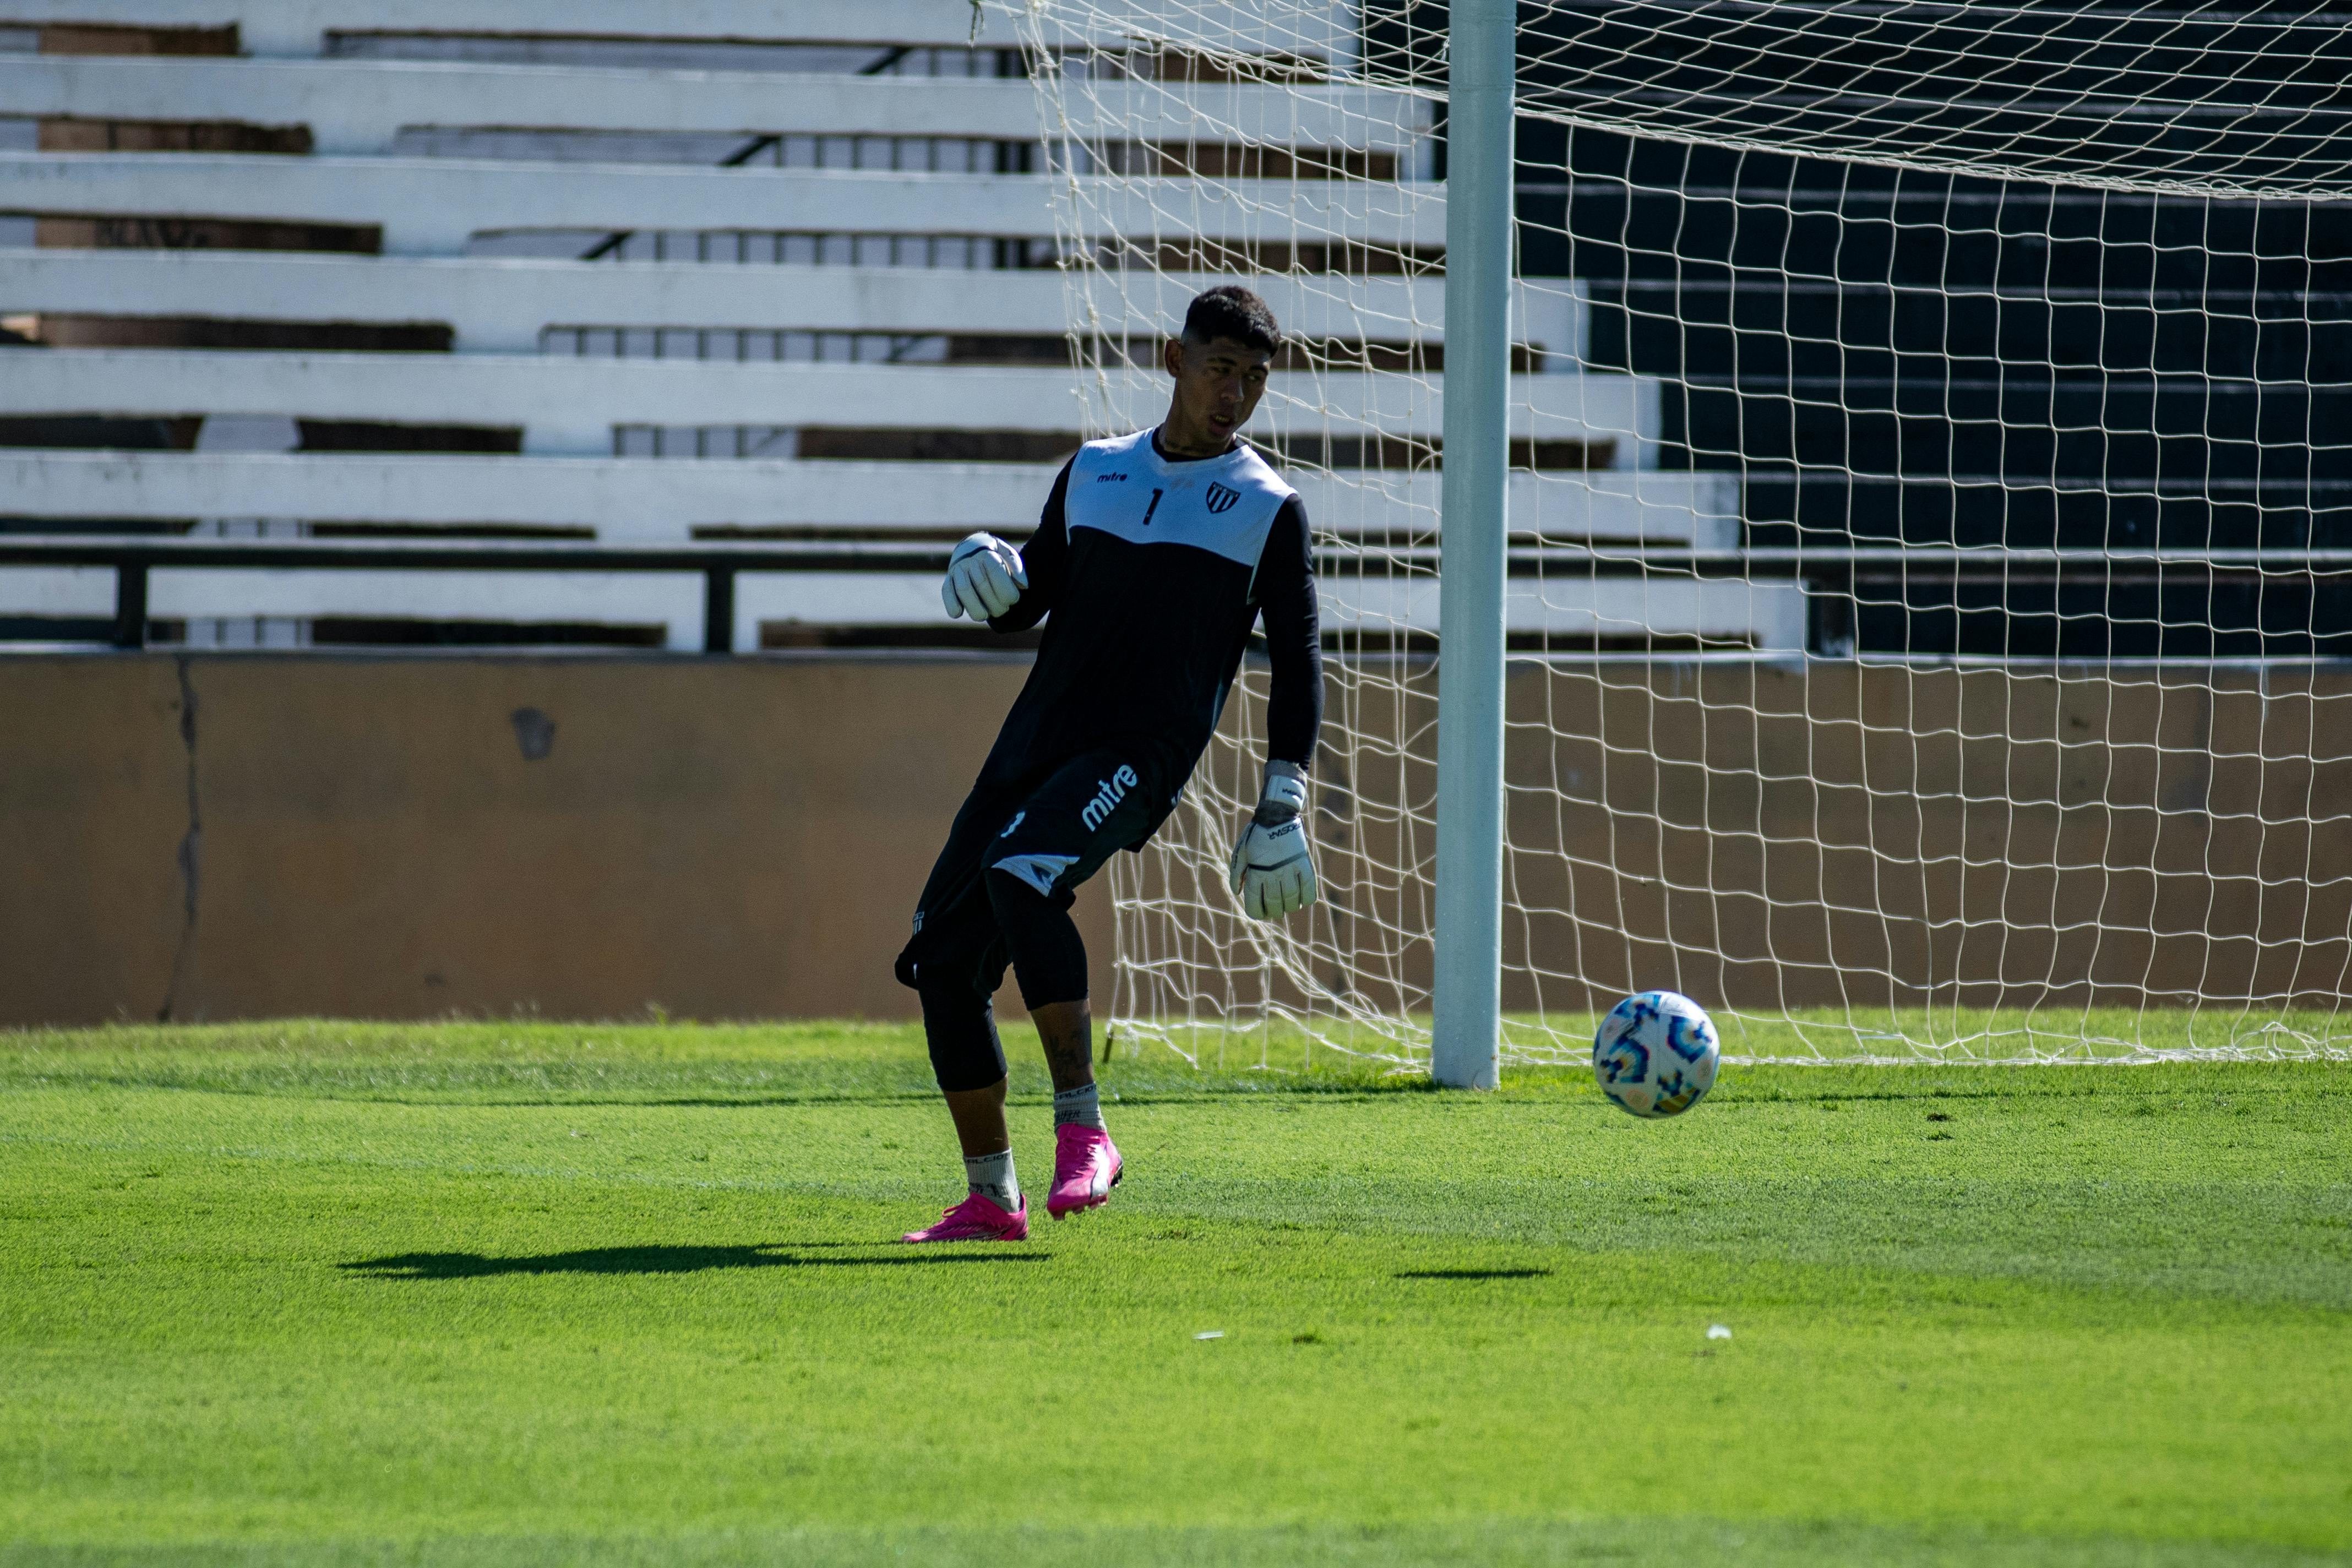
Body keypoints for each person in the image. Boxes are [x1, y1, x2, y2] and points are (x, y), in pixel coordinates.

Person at [895, 284, 1324, 1243]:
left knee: (1024, 870)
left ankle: (1086, 1130)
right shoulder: (1094, 470)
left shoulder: (1268, 508)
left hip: (1141, 752)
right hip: (1033, 744)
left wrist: (1282, 799)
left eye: (1255, 379)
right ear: (1176, 362)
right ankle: (990, 1199)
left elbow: (1298, 663)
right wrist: (982, 567)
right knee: (941, 963)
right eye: (1222, 370)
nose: (1237, 395)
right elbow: (1029, 598)